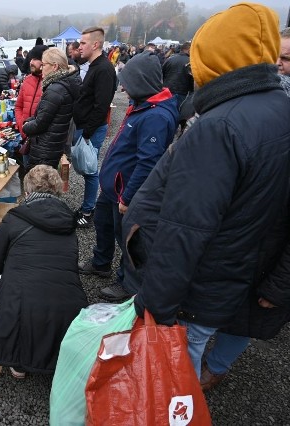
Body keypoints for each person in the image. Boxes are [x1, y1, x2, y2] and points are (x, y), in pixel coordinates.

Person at [122, 2, 290, 378]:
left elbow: (185, 228)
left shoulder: (220, 126)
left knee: (174, 370)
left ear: (213, 56)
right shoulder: (278, 105)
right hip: (230, 272)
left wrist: (156, 306)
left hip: (195, 287)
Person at [198, 26, 290, 392]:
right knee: (214, 312)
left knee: (244, 318)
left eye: (288, 60)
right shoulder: (246, 113)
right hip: (233, 246)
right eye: (276, 59)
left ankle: (216, 367)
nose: (280, 68)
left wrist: (282, 284)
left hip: (269, 254)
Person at [80, 52, 177, 302]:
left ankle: (127, 282)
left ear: (141, 82)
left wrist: (128, 196)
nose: (123, 87)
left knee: (127, 239)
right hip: (113, 189)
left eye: (127, 82)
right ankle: (101, 263)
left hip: (125, 194)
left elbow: (148, 163)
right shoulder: (142, 105)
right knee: (102, 224)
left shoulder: (156, 116)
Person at [0, 165, 89, 378]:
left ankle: (18, 362)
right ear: (58, 192)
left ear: (27, 193)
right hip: (67, 308)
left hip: (22, 308)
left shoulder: (14, 219)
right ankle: (57, 357)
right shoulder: (69, 225)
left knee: (13, 290)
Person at [72, 27, 116, 227]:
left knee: (90, 171)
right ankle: (86, 207)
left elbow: (101, 105)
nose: (79, 47)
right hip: (85, 127)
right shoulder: (94, 65)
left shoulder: (104, 69)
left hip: (92, 130)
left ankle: (88, 212)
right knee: (87, 169)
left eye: (82, 43)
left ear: (95, 44)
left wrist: (87, 134)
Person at [22, 47, 81, 171]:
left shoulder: (55, 89)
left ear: (54, 67)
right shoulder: (64, 84)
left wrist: (25, 126)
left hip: (45, 149)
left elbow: (40, 123)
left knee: (39, 185)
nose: (42, 68)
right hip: (53, 145)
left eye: (44, 64)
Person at [15, 45, 48, 168]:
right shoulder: (27, 81)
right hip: (26, 139)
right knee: (28, 175)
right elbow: (18, 106)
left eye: (35, 59)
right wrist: (21, 126)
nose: (31, 62)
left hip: (41, 143)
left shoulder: (51, 84)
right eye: (31, 58)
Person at [162, 41, 194, 110]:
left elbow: (162, 74)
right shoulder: (191, 62)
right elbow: (192, 81)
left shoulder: (170, 59)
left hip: (166, 92)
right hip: (182, 94)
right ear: (189, 50)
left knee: (165, 111)